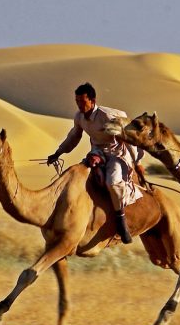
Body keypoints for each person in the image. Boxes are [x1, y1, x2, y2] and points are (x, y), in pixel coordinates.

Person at [46, 82, 141, 244]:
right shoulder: (80, 117)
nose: (80, 105)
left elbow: (127, 137)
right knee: (77, 176)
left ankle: (121, 221)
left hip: (116, 154)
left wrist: (136, 161)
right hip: (97, 152)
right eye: (77, 101)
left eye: (82, 102)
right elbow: (73, 137)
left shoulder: (107, 116)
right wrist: (58, 153)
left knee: (112, 182)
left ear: (93, 101)